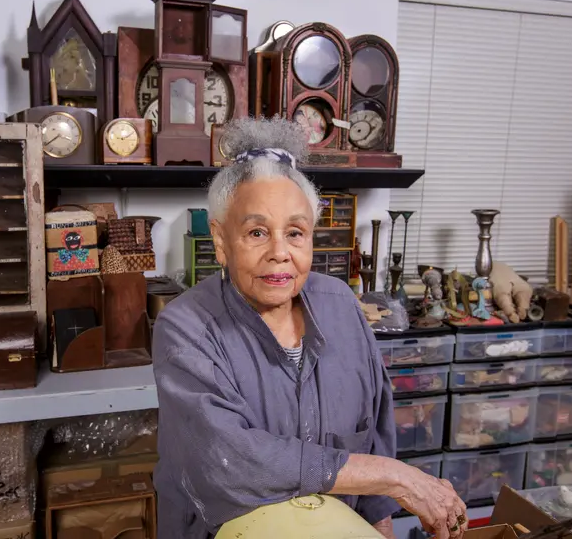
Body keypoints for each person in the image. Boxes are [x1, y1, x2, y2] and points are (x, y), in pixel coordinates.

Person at [152, 117, 468, 539]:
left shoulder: (341, 306)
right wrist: (392, 477)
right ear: (221, 242)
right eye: (257, 232)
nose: (280, 253)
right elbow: (228, 462)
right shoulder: (186, 327)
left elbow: (375, 427)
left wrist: (381, 522)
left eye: (296, 233)